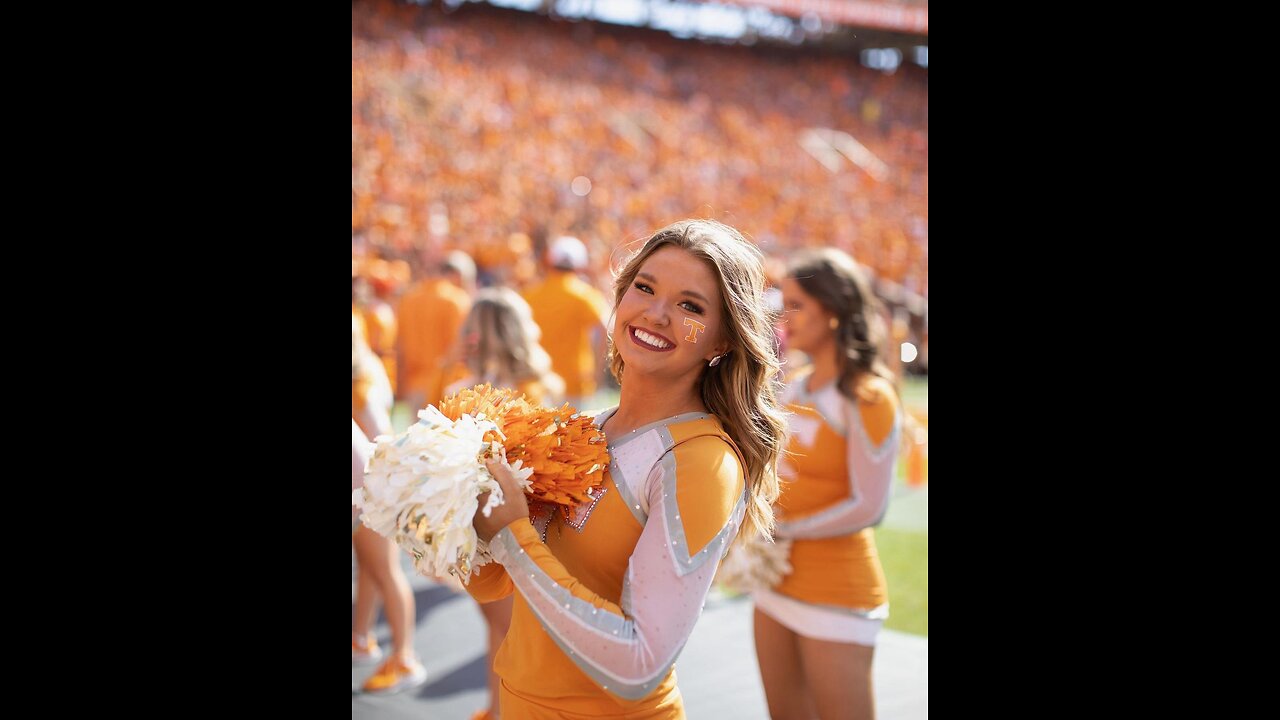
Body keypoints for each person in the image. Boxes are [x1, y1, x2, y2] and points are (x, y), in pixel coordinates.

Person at [467, 219, 786, 718]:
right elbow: (494, 584)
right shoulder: (583, 430)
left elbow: (639, 668)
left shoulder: (701, 461)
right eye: (645, 287)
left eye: (690, 306)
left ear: (723, 341)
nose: (657, 313)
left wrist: (512, 537)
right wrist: (464, 514)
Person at [753, 248, 902, 720]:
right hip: (775, 584)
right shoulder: (794, 385)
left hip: (838, 591)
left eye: (796, 303)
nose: (784, 314)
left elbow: (869, 506)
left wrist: (788, 531)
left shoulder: (868, 397)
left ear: (832, 310)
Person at [441, 287, 566, 720]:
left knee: (514, 631)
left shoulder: (531, 390)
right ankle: (497, 707)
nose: (467, 337)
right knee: (497, 626)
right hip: (479, 532)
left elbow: (547, 470)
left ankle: (509, 709)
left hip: (522, 531)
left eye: (474, 329)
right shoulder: (465, 385)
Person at [352, 321, 427, 694]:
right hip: (367, 491)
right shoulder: (365, 374)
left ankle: (405, 657)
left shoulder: (363, 385)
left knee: (384, 571)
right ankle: (362, 638)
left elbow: (382, 439)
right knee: (371, 568)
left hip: (373, 491)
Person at [521, 235, 610, 408]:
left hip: (538, 381)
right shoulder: (584, 295)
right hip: (576, 383)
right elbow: (606, 330)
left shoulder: (531, 294)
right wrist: (598, 372)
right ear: (580, 265)